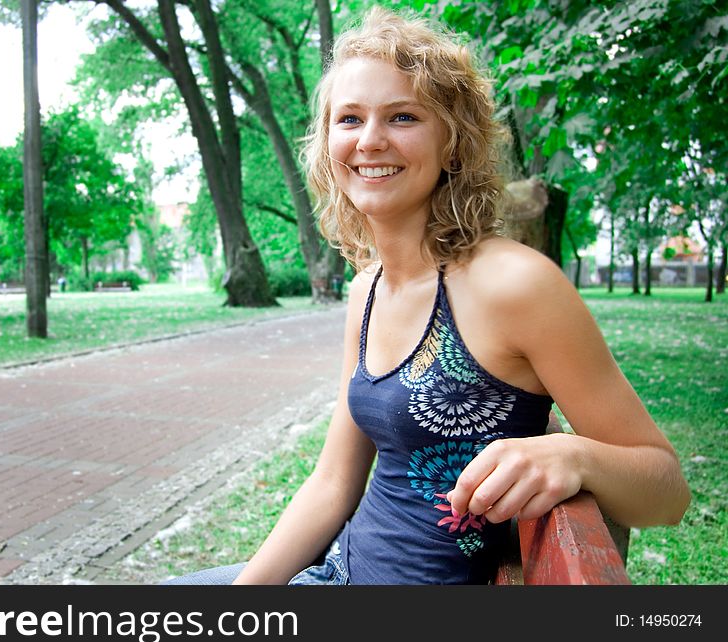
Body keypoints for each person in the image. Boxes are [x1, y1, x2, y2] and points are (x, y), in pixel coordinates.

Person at [163, 6, 690, 586]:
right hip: (337, 572)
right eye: (349, 119)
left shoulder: (514, 285)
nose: (370, 140)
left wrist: (576, 457)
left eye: (403, 116)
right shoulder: (366, 290)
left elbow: (666, 491)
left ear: (454, 145)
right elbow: (333, 484)